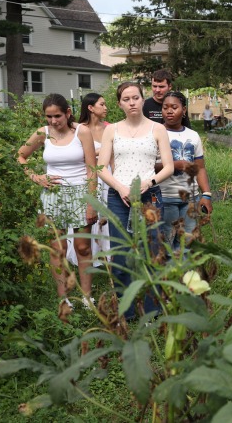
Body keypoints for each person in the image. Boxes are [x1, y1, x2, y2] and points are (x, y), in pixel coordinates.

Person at [97, 82, 174, 320]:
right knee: (121, 255)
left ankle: (152, 311)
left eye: (136, 98)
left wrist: (148, 182)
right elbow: (101, 167)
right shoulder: (112, 130)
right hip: (119, 198)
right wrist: (120, 187)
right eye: (126, 99)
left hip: (149, 196)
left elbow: (169, 167)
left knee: (152, 251)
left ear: (143, 99)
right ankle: (127, 311)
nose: (132, 102)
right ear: (119, 103)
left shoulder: (157, 129)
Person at [18, 94, 98, 307]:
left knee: (83, 247)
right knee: (57, 248)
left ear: (68, 113)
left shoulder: (83, 132)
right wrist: (36, 177)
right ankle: (64, 298)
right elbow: (20, 156)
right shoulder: (41, 133)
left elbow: (92, 169)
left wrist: (92, 202)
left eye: (58, 116)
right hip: (53, 196)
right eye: (49, 116)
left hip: (81, 193)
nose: (53, 121)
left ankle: (87, 297)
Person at [159, 91, 213, 250]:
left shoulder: (193, 135)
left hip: (191, 197)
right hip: (165, 196)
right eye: (165, 107)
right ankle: (166, 273)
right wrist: (173, 165)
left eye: (174, 107)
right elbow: (149, 166)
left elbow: (200, 167)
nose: (169, 111)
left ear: (184, 110)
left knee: (188, 240)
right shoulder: (156, 132)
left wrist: (206, 194)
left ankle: (184, 273)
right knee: (166, 240)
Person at [65, 92, 112, 271]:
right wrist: (98, 152)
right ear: (91, 108)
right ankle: (87, 254)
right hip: (87, 175)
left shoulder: (110, 128)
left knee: (106, 212)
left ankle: (107, 253)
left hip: (107, 174)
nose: (106, 108)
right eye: (102, 104)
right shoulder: (80, 129)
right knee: (88, 213)